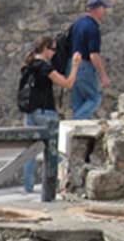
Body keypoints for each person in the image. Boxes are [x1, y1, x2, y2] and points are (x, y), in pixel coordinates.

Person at [19, 35, 83, 201]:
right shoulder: (44, 67)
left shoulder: (28, 64)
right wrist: (75, 66)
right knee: (55, 149)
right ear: (46, 49)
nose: (55, 53)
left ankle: (28, 186)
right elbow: (67, 83)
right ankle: (55, 186)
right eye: (53, 49)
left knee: (30, 150)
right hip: (45, 112)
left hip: (29, 111)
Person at [69, 0, 111, 120]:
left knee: (78, 102)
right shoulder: (92, 28)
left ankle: (75, 135)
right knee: (94, 98)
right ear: (97, 9)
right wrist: (103, 75)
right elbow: (94, 55)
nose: (105, 12)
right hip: (84, 66)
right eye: (104, 8)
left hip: (72, 65)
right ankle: (74, 124)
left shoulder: (77, 24)